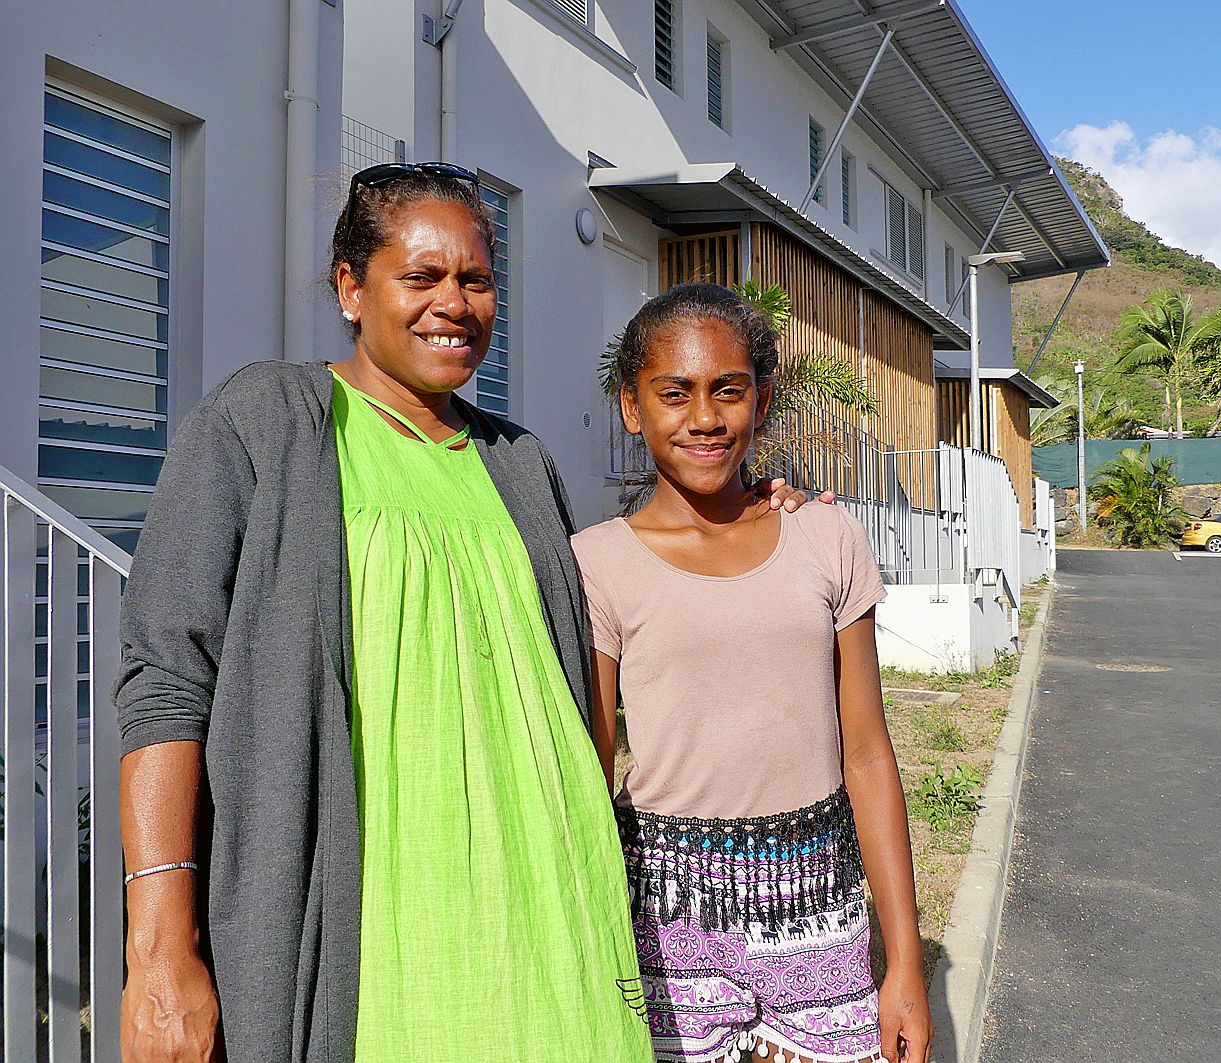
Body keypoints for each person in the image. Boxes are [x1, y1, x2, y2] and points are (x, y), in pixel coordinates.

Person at [116, 163, 817, 1063]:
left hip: (552, 921)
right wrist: (161, 945)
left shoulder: (519, 463)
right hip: (378, 949)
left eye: (476, 280)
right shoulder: (267, 422)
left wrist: (751, 510)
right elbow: (167, 681)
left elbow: (634, 606)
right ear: (349, 288)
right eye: (421, 276)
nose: (454, 302)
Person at [572, 284, 933, 1063]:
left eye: (726, 390)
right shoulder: (596, 564)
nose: (703, 417)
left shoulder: (824, 535)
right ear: (632, 407)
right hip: (665, 920)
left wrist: (903, 961)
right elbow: (589, 775)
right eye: (673, 394)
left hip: (819, 911)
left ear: (761, 400)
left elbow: (866, 754)